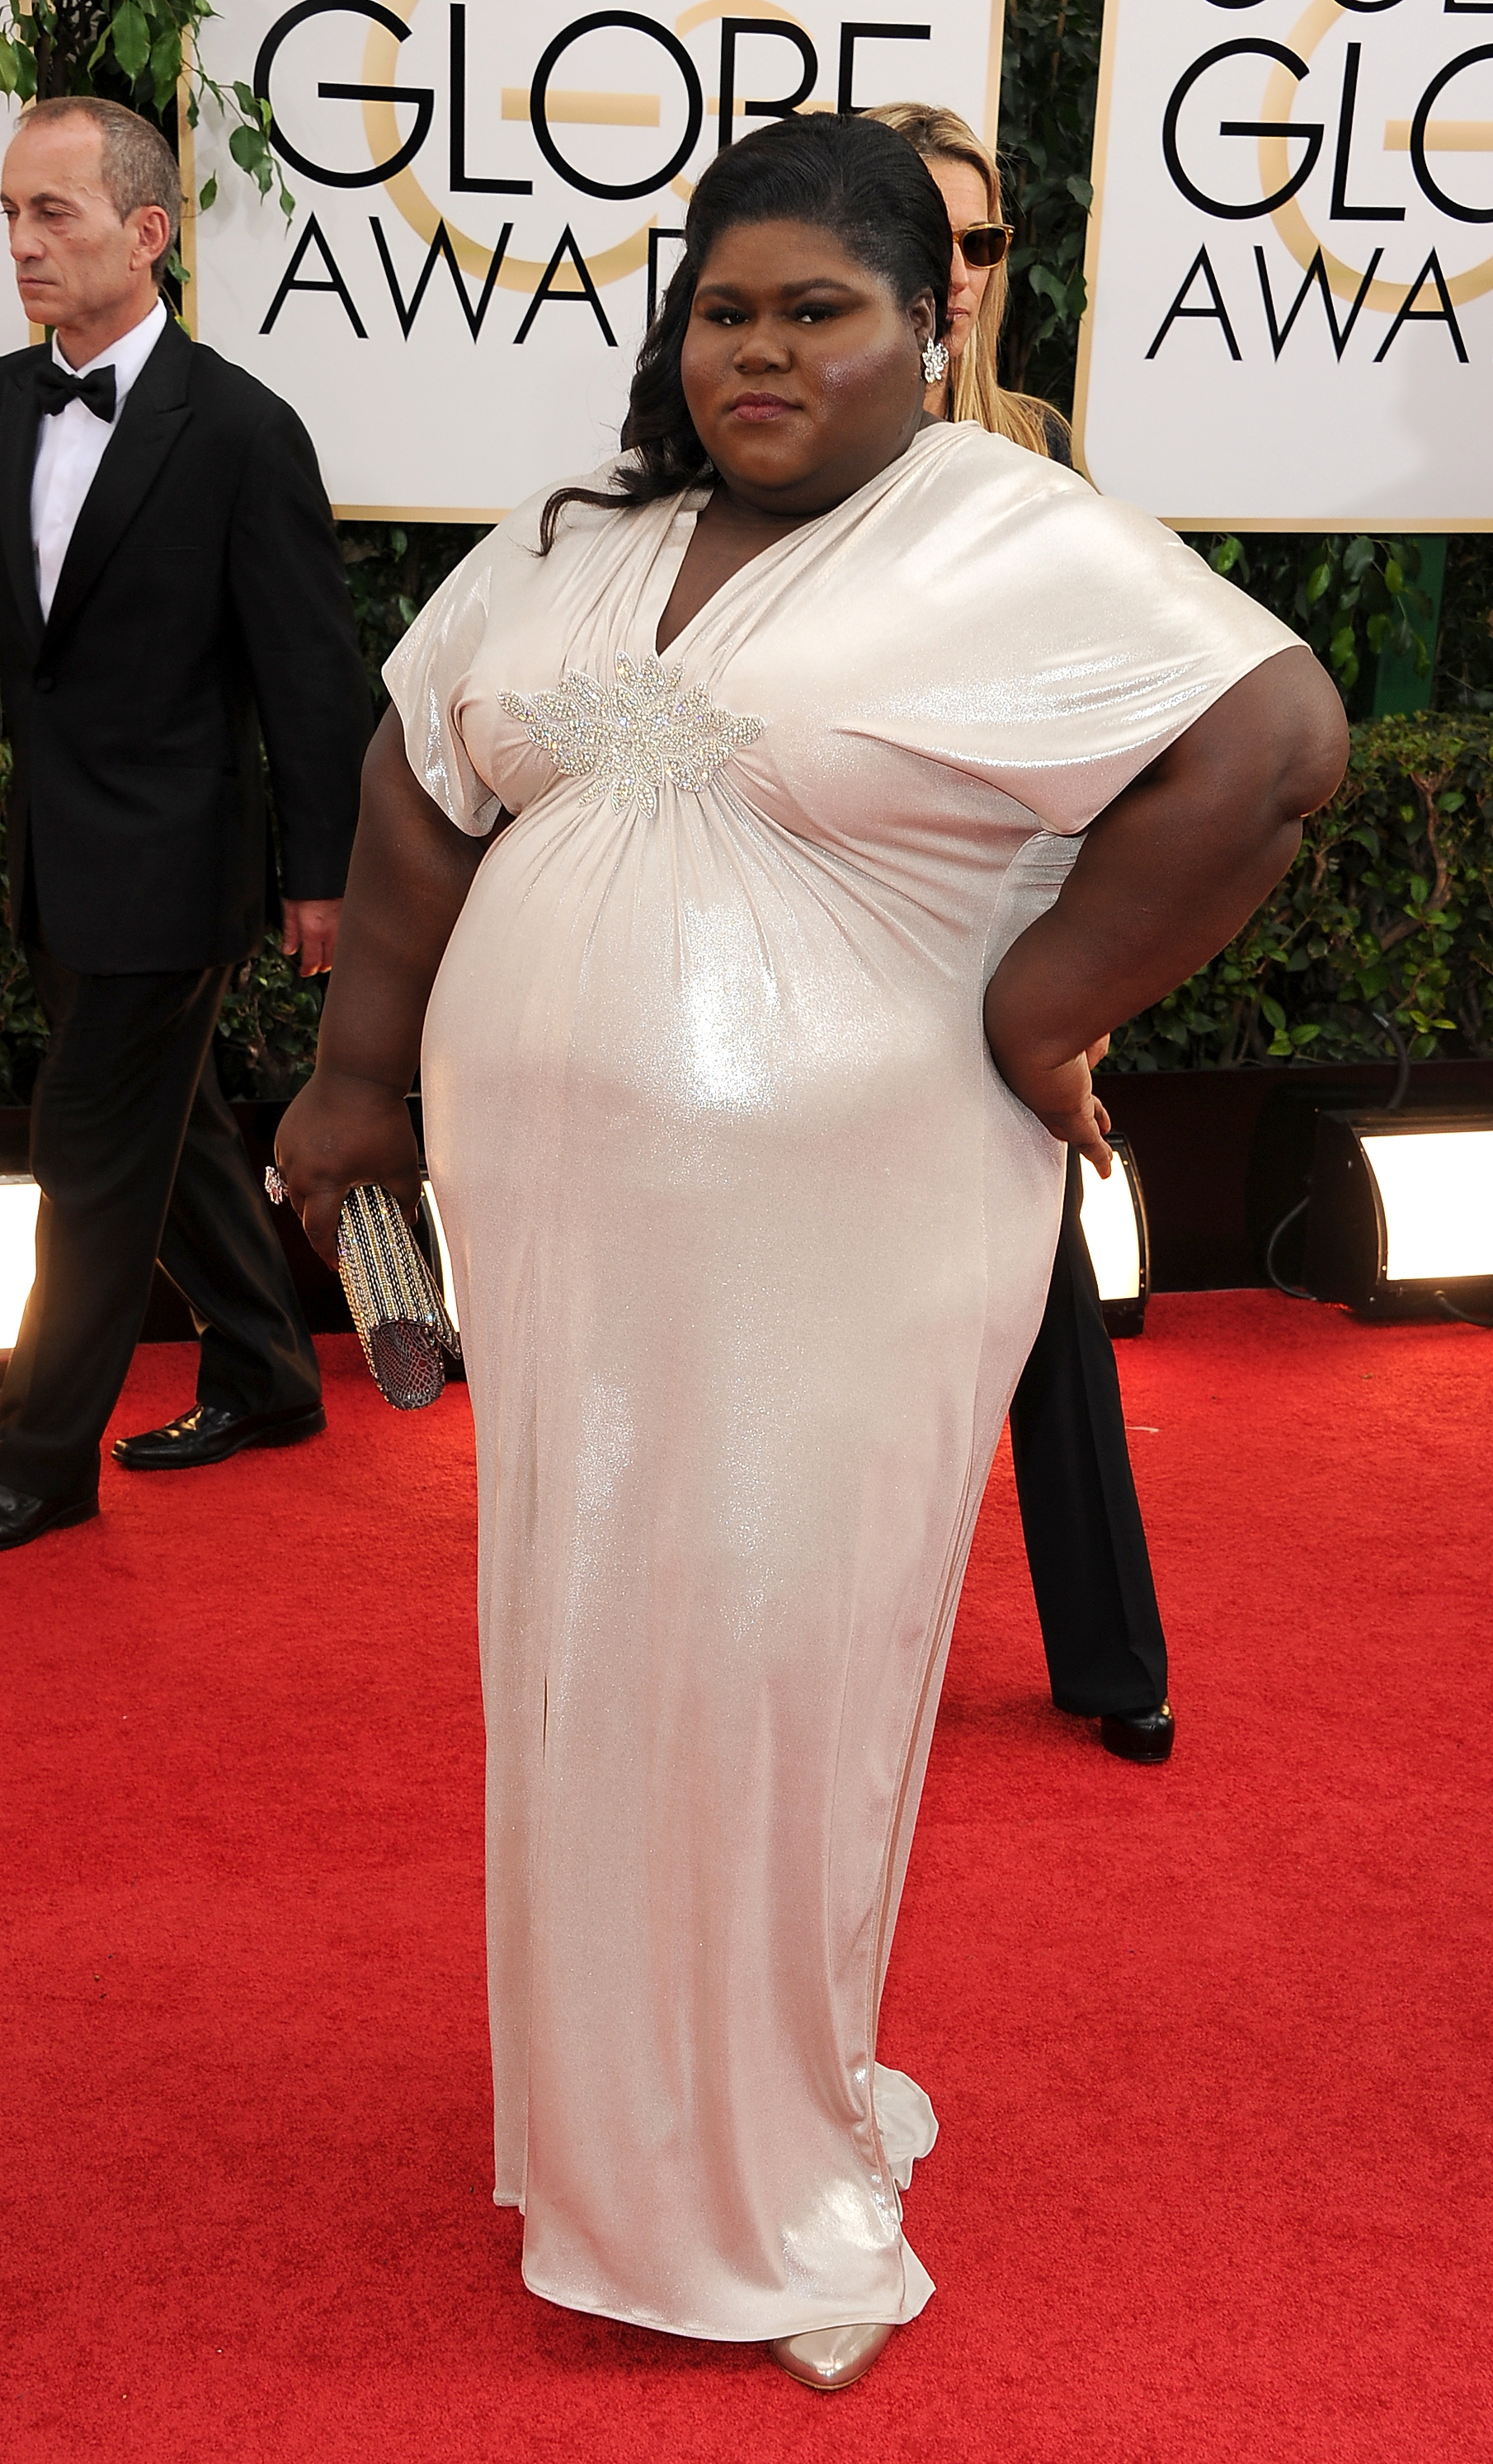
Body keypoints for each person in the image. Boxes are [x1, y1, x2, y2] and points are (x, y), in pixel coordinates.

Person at [276, 115, 1345, 2389]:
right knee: (597, 1625)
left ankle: (739, 2163)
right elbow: (408, 778)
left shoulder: (1003, 535)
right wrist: (361, 1074)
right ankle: (617, 2114)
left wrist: (1043, 1004)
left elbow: (1267, 747)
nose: (756, 351)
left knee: (770, 1643)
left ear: (928, 319)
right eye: (723, 309)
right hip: (565, 1231)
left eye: (814, 308)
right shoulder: (583, 544)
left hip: (836, 1223)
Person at [0, 96, 371, 1551]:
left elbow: (310, 673)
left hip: (173, 862)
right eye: (11, 215)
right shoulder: (1, 404)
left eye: (55, 213)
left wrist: (322, 874)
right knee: (176, 1136)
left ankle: (37, 1457)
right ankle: (273, 1372)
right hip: (55, 851)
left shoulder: (236, 429)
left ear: (148, 233)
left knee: (90, 1153)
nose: (22, 244)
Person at [872, 100, 1173, 1761]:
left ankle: (1111, 1656)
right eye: (934, 236)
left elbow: (1120, 715)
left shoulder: (1039, 449)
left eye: (984, 241)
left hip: (1003, 938)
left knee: (1045, 1289)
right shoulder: (776, 443)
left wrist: (1076, 986)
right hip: (839, 929)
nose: (964, 271)